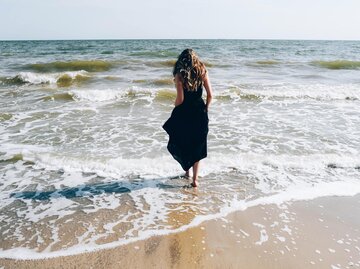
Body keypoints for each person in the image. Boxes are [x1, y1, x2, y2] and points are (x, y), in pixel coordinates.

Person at [163, 49, 213, 187]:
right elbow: (210, 95)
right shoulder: (203, 71)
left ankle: (187, 171)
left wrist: (175, 110)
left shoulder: (180, 75)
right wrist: (206, 108)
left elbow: (180, 100)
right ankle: (195, 180)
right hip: (200, 112)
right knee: (198, 146)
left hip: (185, 113)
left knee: (184, 141)